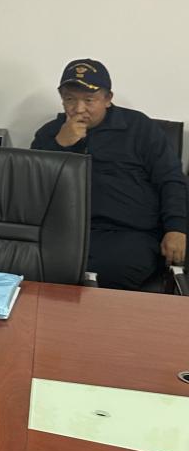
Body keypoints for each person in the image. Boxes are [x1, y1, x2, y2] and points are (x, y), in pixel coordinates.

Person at [31, 58, 187, 290]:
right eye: (70, 99)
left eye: (89, 100)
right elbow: (32, 188)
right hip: (67, 232)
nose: (79, 109)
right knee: (34, 267)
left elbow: (171, 179)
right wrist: (59, 146)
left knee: (106, 272)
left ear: (108, 99)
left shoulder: (139, 127)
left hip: (128, 233)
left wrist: (177, 228)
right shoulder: (50, 134)